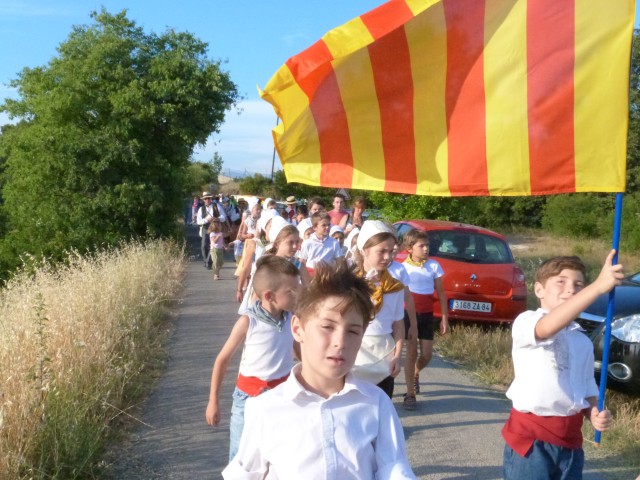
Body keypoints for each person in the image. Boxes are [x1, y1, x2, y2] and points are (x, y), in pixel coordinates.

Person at [223, 259, 416, 479]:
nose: (340, 342)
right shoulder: (264, 409)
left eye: (353, 331)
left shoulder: (376, 404)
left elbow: (394, 470)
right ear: (297, 329)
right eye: (327, 327)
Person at [502, 251, 623, 479]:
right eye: (561, 281)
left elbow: (587, 387)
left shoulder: (582, 341)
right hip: (531, 441)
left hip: (570, 444)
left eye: (579, 284)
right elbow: (547, 328)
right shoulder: (527, 322)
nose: (571, 289)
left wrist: (594, 412)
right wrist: (597, 287)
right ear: (539, 290)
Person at [205, 255, 301, 462]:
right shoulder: (249, 322)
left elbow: (300, 352)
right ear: (269, 295)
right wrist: (214, 400)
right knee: (241, 458)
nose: (297, 294)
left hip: (281, 396)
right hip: (249, 398)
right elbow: (222, 360)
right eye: (291, 291)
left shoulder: (291, 319)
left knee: (278, 455)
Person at [351, 220, 405, 398]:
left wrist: (397, 355)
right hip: (355, 352)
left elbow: (398, 324)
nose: (388, 257)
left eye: (390, 251)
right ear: (363, 250)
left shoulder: (395, 287)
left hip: (383, 355)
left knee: (381, 404)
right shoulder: (350, 284)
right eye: (381, 251)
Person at [400, 228, 449, 409]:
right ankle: (410, 394)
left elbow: (442, 295)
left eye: (427, 245)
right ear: (410, 248)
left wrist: (444, 318)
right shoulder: (403, 267)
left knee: (427, 355)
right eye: (422, 246)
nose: (426, 249)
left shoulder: (433, 266)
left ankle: (415, 373)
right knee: (411, 353)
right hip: (409, 314)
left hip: (427, 315)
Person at [298, 211, 343, 275]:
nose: (327, 227)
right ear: (315, 227)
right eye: (324, 225)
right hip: (311, 274)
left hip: (328, 275)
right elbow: (302, 262)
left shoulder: (334, 242)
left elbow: (340, 261)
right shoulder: (308, 243)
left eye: (328, 225)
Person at [197, 191, 227, 269]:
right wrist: (206, 220)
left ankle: (208, 262)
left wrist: (217, 218)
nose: (208, 200)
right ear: (203, 200)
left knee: (213, 245)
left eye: (209, 198)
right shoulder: (201, 209)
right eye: (206, 199)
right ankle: (205, 260)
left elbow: (224, 217)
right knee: (204, 245)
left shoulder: (217, 206)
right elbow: (198, 221)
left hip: (215, 228)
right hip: (205, 228)